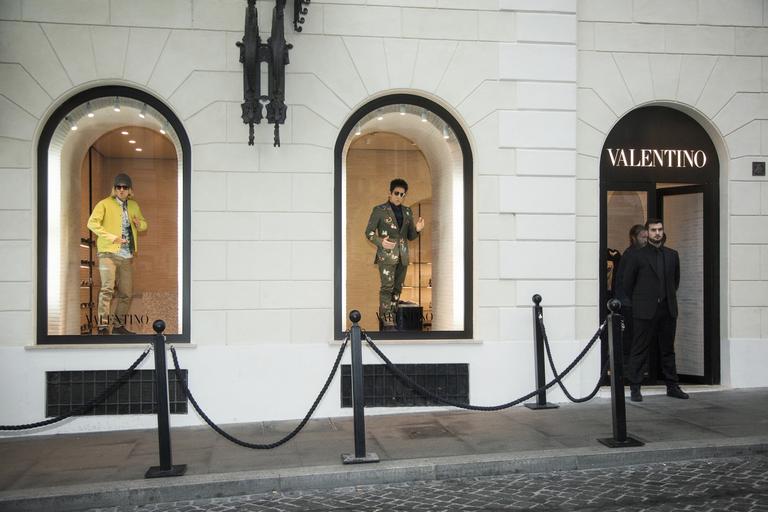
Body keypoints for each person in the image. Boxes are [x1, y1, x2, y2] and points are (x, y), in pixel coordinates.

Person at [622, 218, 688, 402]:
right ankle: (635, 387)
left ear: (663, 231)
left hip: (667, 308)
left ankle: (672, 386)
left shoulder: (672, 255)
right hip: (644, 310)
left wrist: (664, 298)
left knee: (668, 349)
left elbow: (675, 281)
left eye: (659, 229)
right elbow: (627, 284)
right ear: (647, 232)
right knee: (639, 349)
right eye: (653, 230)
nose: (657, 233)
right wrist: (641, 300)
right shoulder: (637, 256)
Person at [87, 173, 148, 335]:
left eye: (125, 187)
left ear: (130, 190)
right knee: (107, 289)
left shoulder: (134, 206)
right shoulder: (104, 204)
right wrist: (111, 237)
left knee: (126, 293)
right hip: (108, 253)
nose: (121, 190)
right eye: (118, 187)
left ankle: (118, 327)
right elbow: (92, 223)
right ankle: (102, 327)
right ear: (114, 189)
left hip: (126, 255)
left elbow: (144, 225)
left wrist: (138, 223)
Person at [365, 179, 424, 330]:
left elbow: (410, 236)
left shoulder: (407, 211)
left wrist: (417, 229)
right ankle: (387, 317)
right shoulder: (379, 210)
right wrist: (380, 242)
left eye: (402, 194)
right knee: (387, 287)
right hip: (386, 255)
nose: (399, 196)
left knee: (397, 289)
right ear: (390, 193)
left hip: (403, 256)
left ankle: (392, 314)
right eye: (396, 193)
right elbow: (369, 232)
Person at [614, 224, 648, 361]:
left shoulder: (638, 253)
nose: (646, 240)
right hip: (628, 303)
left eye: (647, 237)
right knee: (631, 336)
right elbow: (627, 281)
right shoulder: (631, 255)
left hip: (632, 301)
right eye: (642, 237)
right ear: (633, 238)